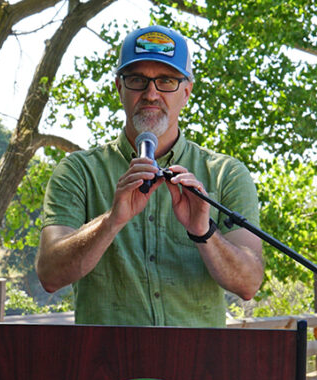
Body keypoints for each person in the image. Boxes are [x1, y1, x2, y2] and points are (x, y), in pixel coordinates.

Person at [36, 24, 264, 327]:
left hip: (196, 368)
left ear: (186, 91)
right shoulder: (77, 171)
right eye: (137, 80)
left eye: (166, 80)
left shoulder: (226, 174)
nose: (151, 93)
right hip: (108, 366)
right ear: (119, 88)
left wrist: (203, 231)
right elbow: (50, 275)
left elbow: (248, 284)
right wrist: (111, 221)